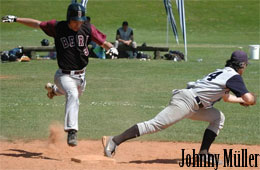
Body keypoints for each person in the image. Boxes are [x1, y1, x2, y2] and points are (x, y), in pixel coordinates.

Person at [102, 51, 257, 161]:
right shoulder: (234, 77)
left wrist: (240, 101)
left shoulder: (222, 72)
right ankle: (114, 141)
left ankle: (203, 154)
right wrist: (251, 100)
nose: (245, 68)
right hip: (187, 102)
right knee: (155, 125)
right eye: (245, 66)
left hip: (195, 104)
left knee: (218, 117)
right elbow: (249, 98)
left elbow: (226, 98)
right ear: (241, 65)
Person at [2, 2, 118, 147]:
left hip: (81, 77)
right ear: (69, 19)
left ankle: (53, 91)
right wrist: (15, 19)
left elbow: (103, 42)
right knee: (72, 94)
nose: (78, 24)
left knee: (74, 92)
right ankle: (72, 131)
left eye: (80, 21)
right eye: (75, 21)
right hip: (63, 75)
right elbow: (37, 24)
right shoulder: (58, 27)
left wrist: (112, 48)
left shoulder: (87, 27)